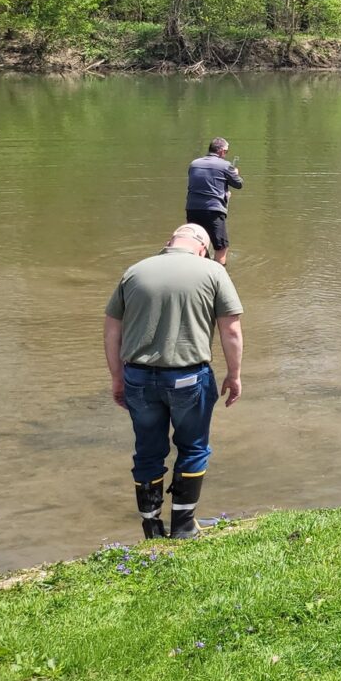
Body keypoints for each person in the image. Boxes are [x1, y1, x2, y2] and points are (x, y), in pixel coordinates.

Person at [104, 223, 245, 540]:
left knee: (148, 451)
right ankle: (183, 526)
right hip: (187, 377)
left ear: (169, 242)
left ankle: (151, 527)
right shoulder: (213, 272)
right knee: (193, 447)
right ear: (202, 249)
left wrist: (117, 377)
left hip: (137, 377)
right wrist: (234, 375)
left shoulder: (135, 272)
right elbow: (231, 330)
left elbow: (112, 330)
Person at [185, 138, 243, 265]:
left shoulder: (194, 164)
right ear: (221, 151)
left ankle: (201, 267)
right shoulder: (226, 165)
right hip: (213, 210)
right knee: (221, 246)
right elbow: (238, 184)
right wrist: (235, 173)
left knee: (198, 242)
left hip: (192, 209)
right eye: (226, 151)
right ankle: (218, 274)